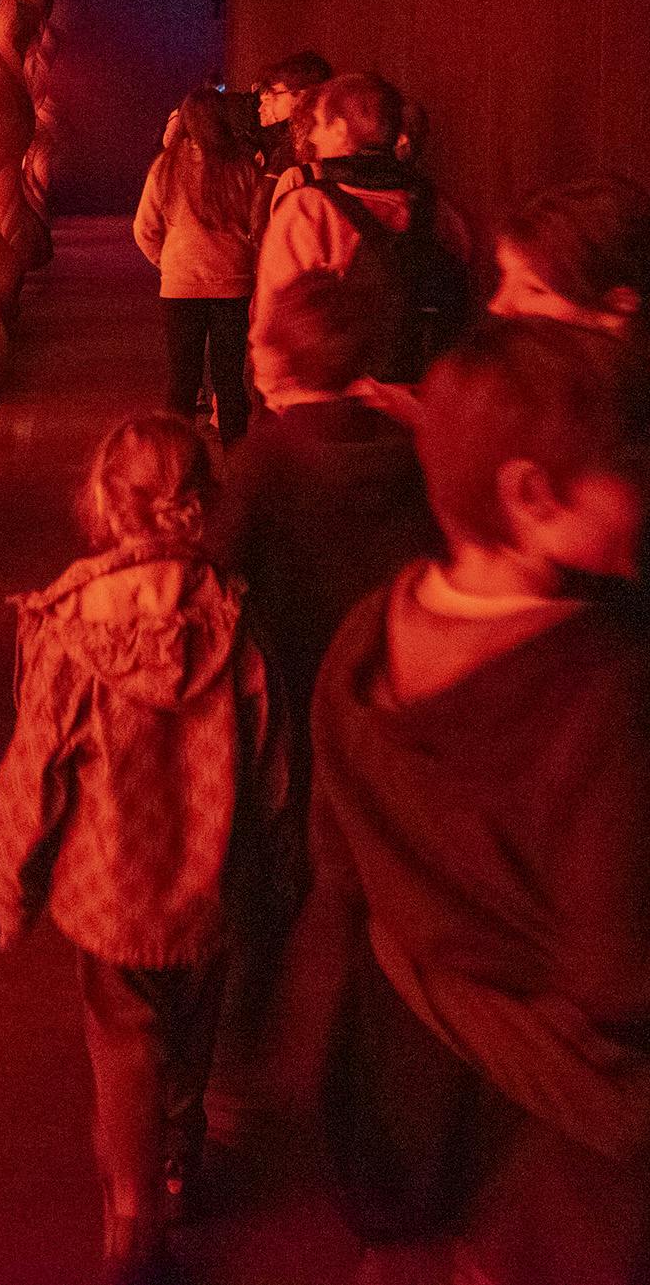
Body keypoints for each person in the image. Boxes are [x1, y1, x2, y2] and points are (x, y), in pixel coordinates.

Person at [305, 318, 650, 1283]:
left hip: (402, 1060)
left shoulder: (364, 634)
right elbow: (620, 965)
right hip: (546, 1122)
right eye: (629, 463)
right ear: (531, 495)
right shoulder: (603, 683)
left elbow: (335, 856)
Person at [0, 414, 288, 1284]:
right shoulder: (236, 623)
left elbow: (33, 771)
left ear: (105, 506)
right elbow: (272, 759)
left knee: (123, 1043)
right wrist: (270, 873)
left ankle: (131, 1216)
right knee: (193, 1031)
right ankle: (179, 1163)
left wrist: (13, 886)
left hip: (108, 893)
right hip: (212, 884)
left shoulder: (71, 631)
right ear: (199, 508)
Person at [208, 260, 439, 1146]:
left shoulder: (269, 455)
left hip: (294, 690)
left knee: (271, 885)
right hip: (390, 685)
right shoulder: (410, 444)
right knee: (377, 882)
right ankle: (378, 1082)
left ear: (278, 356)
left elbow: (220, 570)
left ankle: (236, 1067)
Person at [488, 173, 650, 719]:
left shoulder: (641, 424)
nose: (499, 306)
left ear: (617, 306)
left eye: (533, 289)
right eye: (504, 279)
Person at [252, 72, 473, 384]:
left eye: (318, 123)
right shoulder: (438, 208)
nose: (313, 137)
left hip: (338, 407)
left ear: (340, 129)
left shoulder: (309, 210)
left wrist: (281, 400)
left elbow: (275, 322)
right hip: (422, 404)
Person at [135, 87, 268, 442]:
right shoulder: (243, 166)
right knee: (229, 381)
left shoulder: (166, 167)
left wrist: (168, 262)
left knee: (182, 380)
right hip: (234, 282)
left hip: (181, 285)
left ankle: (176, 462)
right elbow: (258, 225)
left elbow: (144, 228)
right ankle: (237, 464)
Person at [252, 51, 333, 174]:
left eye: (275, 93)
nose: (271, 101)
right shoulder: (289, 136)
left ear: (302, 94)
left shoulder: (326, 140)